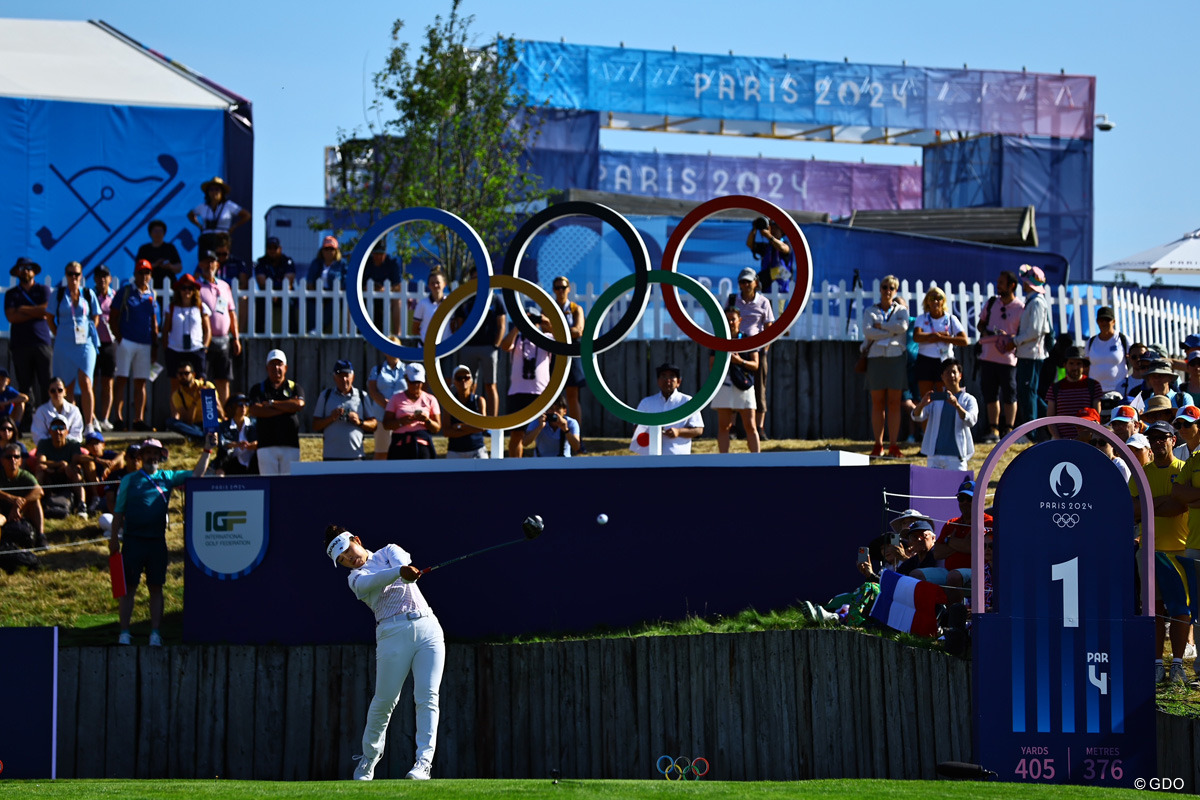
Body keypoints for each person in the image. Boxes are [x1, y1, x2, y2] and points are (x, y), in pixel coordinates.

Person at [323, 525, 444, 781]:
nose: (348, 559)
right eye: (342, 560)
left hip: (428, 627)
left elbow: (402, 562)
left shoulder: (389, 550)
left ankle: (423, 764)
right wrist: (400, 573)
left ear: (356, 540)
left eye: (347, 550)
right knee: (385, 701)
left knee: (427, 696)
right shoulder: (355, 579)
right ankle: (369, 759)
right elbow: (374, 581)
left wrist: (404, 571)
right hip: (391, 634)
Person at [110, 436, 215, 646]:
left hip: (157, 541)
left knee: (156, 587)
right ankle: (124, 632)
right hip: (132, 541)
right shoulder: (129, 480)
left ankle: (155, 632)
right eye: (147, 453)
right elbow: (119, 512)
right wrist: (114, 540)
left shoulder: (168, 477)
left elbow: (197, 474)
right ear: (141, 457)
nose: (151, 457)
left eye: (155, 453)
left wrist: (207, 450)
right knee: (128, 588)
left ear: (161, 456)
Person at [1131, 422, 1190, 686]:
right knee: (1152, 610)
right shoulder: (1141, 474)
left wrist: (1149, 506)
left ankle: (1177, 664)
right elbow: (1133, 510)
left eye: (1162, 437)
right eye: (1152, 438)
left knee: (1180, 610)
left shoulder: (1184, 469)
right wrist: (1160, 503)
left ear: (1173, 440)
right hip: (1150, 550)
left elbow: (1179, 506)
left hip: (1180, 550)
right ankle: (1156, 664)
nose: (1157, 442)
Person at [48, 261, 101, 433]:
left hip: (84, 343)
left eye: (76, 274)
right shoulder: (58, 295)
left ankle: (89, 424)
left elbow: (96, 316)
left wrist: (88, 332)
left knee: (86, 381)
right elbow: (49, 318)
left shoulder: (88, 293)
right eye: (70, 274)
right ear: (66, 276)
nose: (73, 277)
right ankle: (70, 425)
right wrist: (60, 334)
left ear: (81, 276)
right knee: (67, 385)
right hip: (64, 343)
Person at [109, 260, 160, 432]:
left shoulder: (151, 296)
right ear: (135, 274)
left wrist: (155, 346)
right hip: (127, 342)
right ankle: (118, 418)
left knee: (141, 382)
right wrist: (120, 338)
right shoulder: (126, 292)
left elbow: (154, 323)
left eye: (147, 273)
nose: (144, 276)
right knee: (122, 379)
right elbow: (113, 317)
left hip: (145, 344)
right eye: (141, 272)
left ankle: (138, 419)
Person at [862, 275, 909, 458]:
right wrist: (891, 330)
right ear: (880, 289)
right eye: (884, 287)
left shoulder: (901, 310)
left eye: (891, 288)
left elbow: (903, 327)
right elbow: (867, 331)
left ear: (895, 291)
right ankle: (878, 444)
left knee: (894, 403)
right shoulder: (870, 310)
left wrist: (880, 327)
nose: (887, 291)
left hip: (895, 358)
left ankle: (894, 445)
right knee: (878, 402)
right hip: (876, 359)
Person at [449, 266, 505, 418]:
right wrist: (462, 343)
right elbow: (459, 324)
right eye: (473, 278)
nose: (476, 282)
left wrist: (495, 345)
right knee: (467, 385)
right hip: (469, 348)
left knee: (490, 385)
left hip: (488, 348)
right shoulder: (465, 300)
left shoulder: (494, 298)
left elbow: (502, 324)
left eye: (479, 279)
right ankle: (471, 420)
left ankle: (492, 423)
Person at [976, 270, 1024, 442]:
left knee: (1010, 394)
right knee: (990, 394)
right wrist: (989, 333)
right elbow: (980, 324)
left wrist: (1008, 338)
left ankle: (1009, 430)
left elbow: (1022, 332)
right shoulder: (991, 303)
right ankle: (993, 429)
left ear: (1011, 285)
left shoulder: (1020, 307)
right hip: (988, 356)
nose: (998, 286)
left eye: (1001, 282)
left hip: (1009, 358)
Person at [501, 306, 553, 458]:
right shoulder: (517, 338)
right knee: (517, 434)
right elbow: (504, 346)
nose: (531, 323)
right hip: (518, 393)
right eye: (527, 320)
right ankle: (515, 469)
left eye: (533, 320)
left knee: (546, 431)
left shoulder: (546, 338)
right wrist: (518, 326)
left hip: (540, 392)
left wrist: (547, 323)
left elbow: (563, 342)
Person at [193, 250, 242, 408]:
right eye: (206, 262)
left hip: (223, 341)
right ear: (200, 265)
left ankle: (224, 416)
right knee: (202, 380)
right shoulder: (196, 286)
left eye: (212, 262)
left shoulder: (224, 286)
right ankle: (204, 415)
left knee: (223, 380)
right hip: (204, 341)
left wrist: (236, 338)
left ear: (217, 265)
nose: (209, 265)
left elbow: (231, 313)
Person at [910, 358, 978, 471]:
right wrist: (922, 404)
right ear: (942, 377)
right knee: (934, 488)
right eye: (947, 372)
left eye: (954, 372)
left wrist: (957, 405)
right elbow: (917, 416)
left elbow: (971, 421)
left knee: (956, 488)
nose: (951, 375)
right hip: (934, 456)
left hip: (957, 456)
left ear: (960, 375)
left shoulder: (968, 399)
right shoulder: (935, 399)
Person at [709, 305, 760, 454]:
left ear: (740, 320)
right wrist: (724, 360)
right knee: (724, 426)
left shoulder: (747, 339)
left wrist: (740, 361)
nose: (730, 323)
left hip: (744, 384)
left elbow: (755, 365)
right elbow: (712, 365)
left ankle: (757, 460)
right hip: (724, 384)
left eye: (733, 319)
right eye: (727, 319)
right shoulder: (719, 340)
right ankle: (724, 459)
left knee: (750, 425)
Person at [732, 266, 775, 439]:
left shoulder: (763, 301)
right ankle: (733, 428)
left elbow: (769, 325)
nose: (745, 285)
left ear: (755, 283)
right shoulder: (732, 299)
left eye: (748, 281)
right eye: (742, 282)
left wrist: (764, 348)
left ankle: (760, 428)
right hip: (736, 347)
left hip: (756, 348)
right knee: (734, 384)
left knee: (760, 387)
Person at [5, 258, 53, 413]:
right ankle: (27, 420)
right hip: (20, 344)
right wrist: (36, 312)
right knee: (25, 384)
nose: (25, 271)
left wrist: (23, 309)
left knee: (46, 382)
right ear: (17, 272)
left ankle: (48, 416)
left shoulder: (43, 290)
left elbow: (46, 311)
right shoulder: (12, 293)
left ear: (34, 271)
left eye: (28, 268)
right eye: (21, 268)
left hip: (41, 342)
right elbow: (11, 317)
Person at [247, 350, 306, 475]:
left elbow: (299, 405)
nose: (276, 368)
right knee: (269, 485)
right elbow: (255, 410)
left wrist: (272, 404)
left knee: (289, 486)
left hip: (291, 446)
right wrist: (286, 409)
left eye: (279, 364)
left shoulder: (294, 387)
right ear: (267, 367)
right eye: (272, 364)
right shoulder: (258, 389)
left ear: (286, 367)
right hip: (266, 446)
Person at [629, 363, 705, 456]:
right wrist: (653, 430)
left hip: (679, 458)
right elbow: (636, 428)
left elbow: (698, 430)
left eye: (672, 376)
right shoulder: (647, 402)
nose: (667, 380)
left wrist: (679, 432)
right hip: (651, 458)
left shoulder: (687, 401)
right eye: (663, 376)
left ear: (678, 382)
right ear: (658, 381)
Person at [312, 360, 376, 461]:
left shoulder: (362, 396)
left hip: (356, 456)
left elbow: (374, 424)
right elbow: (315, 425)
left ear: (353, 377)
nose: (344, 379)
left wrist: (359, 422)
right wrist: (331, 418)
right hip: (331, 457)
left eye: (347, 375)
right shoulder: (325, 395)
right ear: (334, 378)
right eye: (340, 376)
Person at [912, 286, 968, 402]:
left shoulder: (951, 319)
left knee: (944, 397)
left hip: (945, 361)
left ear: (944, 301)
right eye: (932, 298)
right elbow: (917, 337)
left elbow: (964, 340)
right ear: (927, 301)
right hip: (925, 361)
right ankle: (925, 420)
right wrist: (936, 336)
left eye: (939, 298)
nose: (936, 301)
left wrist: (942, 338)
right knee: (925, 399)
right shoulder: (922, 318)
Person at [550, 276, 588, 443]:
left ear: (569, 289)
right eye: (557, 288)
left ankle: (576, 433)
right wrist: (565, 331)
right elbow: (544, 329)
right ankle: (553, 431)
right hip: (555, 353)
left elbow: (579, 331)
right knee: (553, 395)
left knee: (573, 395)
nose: (560, 291)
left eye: (563, 287)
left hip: (572, 353)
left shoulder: (575, 308)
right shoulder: (549, 308)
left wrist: (555, 329)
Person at [1014, 265, 1052, 427]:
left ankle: (1032, 431)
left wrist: (1015, 340)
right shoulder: (1033, 301)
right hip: (1027, 354)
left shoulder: (1036, 303)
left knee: (1028, 393)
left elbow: (1035, 331)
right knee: (1028, 393)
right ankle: (1049, 422)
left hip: (1031, 354)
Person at [161, 272, 211, 392]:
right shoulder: (172, 307)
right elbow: (165, 329)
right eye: (183, 288)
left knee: (200, 384)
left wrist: (205, 347)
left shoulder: (200, 307)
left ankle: (200, 410)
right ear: (179, 290)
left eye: (190, 288)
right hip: (175, 350)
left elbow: (207, 329)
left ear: (194, 291)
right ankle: (176, 411)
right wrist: (166, 348)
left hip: (196, 349)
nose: (187, 291)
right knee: (175, 386)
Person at [383, 363, 440, 460]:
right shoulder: (395, 398)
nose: (416, 385)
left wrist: (426, 420)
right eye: (412, 382)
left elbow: (437, 428)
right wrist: (401, 422)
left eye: (419, 382)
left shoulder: (431, 399)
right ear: (406, 379)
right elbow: (386, 424)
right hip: (400, 444)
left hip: (422, 445)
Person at [1045, 346, 1103, 440]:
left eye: (1078, 363)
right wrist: (1058, 438)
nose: (1075, 367)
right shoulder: (1055, 387)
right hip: (1061, 440)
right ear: (1065, 365)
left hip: (1087, 440)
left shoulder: (1094, 385)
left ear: (1083, 366)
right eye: (1071, 363)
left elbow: (1096, 415)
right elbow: (1050, 417)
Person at [33, 415, 87, 516]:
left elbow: (75, 461)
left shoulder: (74, 444)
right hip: (49, 476)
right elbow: (41, 462)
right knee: (40, 469)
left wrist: (66, 467)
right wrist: (58, 465)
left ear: (67, 431)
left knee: (77, 472)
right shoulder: (43, 443)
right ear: (49, 431)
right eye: (54, 428)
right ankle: (37, 503)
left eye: (61, 428)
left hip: (68, 476)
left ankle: (81, 505)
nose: (58, 431)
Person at [367, 338, 407, 461]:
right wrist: (388, 406)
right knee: (381, 453)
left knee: (402, 453)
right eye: (390, 347)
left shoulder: (408, 370)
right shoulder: (377, 370)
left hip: (403, 418)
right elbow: (373, 391)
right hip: (381, 417)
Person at [0, 442, 45, 547]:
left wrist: (19, 504)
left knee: (36, 501)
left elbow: (39, 491)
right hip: (2, 512)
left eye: (16, 457)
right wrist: (10, 497)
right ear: (2, 461)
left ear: (20, 461)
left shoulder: (25, 475)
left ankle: (41, 536)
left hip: (20, 513)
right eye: (8, 457)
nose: (13, 460)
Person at [443, 364, 488, 459]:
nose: (463, 380)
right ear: (454, 382)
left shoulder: (479, 400)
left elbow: (483, 426)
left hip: (477, 449)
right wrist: (473, 428)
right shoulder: (449, 403)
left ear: (471, 381)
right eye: (459, 378)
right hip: (455, 451)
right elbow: (446, 432)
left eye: (466, 377)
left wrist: (460, 426)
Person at [254, 236, 297, 334]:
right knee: (260, 301)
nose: (272, 250)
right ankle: (260, 332)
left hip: (284, 294)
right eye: (270, 248)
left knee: (289, 301)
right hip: (268, 294)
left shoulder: (287, 261)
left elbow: (289, 282)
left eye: (275, 248)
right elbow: (262, 283)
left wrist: (278, 293)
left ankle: (292, 333)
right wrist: (272, 293)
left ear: (280, 249)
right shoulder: (261, 262)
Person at [187, 176, 250, 242]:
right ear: (207, 192)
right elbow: (190, 215)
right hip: (206, 239)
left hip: (222, 240)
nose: (214, 192)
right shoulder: (203, 206)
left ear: (222, 192)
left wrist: (234, 227)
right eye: (211, 189)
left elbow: (247, 215)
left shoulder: (228, 205)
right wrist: (200, 226)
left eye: (217, 189)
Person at [92, 265, 117, 431]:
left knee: (108, 382)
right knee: (91, 382)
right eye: (99, 276)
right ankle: (92, 416)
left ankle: (105, 418)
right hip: (93, 343)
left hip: (109, 344)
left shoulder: (114, 296)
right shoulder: (89, 295)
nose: (102, 280)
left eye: (105, 276)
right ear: (95, 279)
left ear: (109, 279)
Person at [306, 235, 347, 334]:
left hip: (334, 293)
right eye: (326, 249)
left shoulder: (341, 264)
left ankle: (321, 327)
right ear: (322, 251)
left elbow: (345, 280)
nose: (328, 251)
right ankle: (312, 328)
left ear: (336, 251)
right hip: (318, 291)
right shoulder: (316, 263)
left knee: (334, 302)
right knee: (310, 300)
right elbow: (310, 280)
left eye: (331, 249)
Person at [1085, 306, 1129, 394]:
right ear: (1097, 322)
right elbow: (1086, 366)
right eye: (1101, 320)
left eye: (1107, 320)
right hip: (1096, 391)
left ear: (1114, 322)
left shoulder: (1123, 339)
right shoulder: (1091, 341)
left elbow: (1133, 360)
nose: (1104, 323)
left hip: (1119, 390)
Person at [362, 242, 404, 336]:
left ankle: (398, 334)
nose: (378, 257)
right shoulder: (366, 264)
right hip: (368, 297)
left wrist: (386, 290)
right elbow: (359, 284)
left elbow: (398, 286)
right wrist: (367, 288)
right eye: (376, 253)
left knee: (397, 300)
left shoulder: (392, 263)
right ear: (372, 254)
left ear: (385, 254)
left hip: (386, 297)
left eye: (381, 254)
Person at [168, 363, 218, 441]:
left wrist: (211, 398)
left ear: (193, 374)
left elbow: (221, 413)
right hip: (195, 426)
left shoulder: (207, 385)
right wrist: (195, 400)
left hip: (212, 423)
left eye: (186, 373)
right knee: (170, 422)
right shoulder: (177, 395)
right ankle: (204, 437)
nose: (183, 376)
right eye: (180, 374)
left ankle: (207, 436)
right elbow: (188, 420)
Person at [745, 216, 794, 294]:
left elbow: (782, 248)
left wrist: (769, 236)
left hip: (780, 289)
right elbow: (749, 244)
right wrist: (755, 228)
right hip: (766, 287)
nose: (773, 230)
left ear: (782, 231)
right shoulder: (767, 247)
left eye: (775, 227)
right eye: (771, 227)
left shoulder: (786, 244)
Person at [78, 430, 122, 513]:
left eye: (97, 443)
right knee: (89, 463)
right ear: (87, 447)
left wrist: (110, 466)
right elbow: (78, 458)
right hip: (95, 488)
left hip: (109, 486)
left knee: (120, 462)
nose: (94, 446)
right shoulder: (88, 457)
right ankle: (96, 498)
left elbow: (122, 454)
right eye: (91, 444)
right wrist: (99, 461)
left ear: (103, 445)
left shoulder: (108, 454)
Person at [30, 377, 83, 444]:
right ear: (49, 393)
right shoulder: (41, 411)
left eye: (60, 390)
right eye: (53, 391)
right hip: (48, 448)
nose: (56, 393)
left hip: (69, 447)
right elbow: (38, 435)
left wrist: (62, 442)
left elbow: (77, 435)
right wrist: (55, 443)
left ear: (65, 391)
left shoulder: (74, 410)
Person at [216, 394, 258, 475]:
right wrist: (237, 444)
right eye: (240, 404)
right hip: (232, 461)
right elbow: (222, 442)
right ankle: (220, 481)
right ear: (231, 407)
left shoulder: (253, 424)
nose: (243, 407)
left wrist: (253, 445)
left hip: (252, 461)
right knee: (222, 454)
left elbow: (261, 440)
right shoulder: (224, 425)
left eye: (246, 404)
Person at [134, 219, 182, 289]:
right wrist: (154, 265)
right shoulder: (144, 249)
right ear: (150, 233)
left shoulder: (170, 248)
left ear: (164, 233)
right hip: (148, 286)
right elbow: (137, 268)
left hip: (169, 287)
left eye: (160, 231)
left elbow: (179, 267)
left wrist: (170, 266)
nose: (158, 234)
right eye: (155, 231)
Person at [412, 269, 447, 345]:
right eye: (432, 283)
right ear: (429, 285)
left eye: (438, 282)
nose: (435, 285)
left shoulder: (450, 303)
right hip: (426, 348)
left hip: (446, 348)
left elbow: (454, 325)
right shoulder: (422, 304)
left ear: (444, 284)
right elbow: (415, 328)